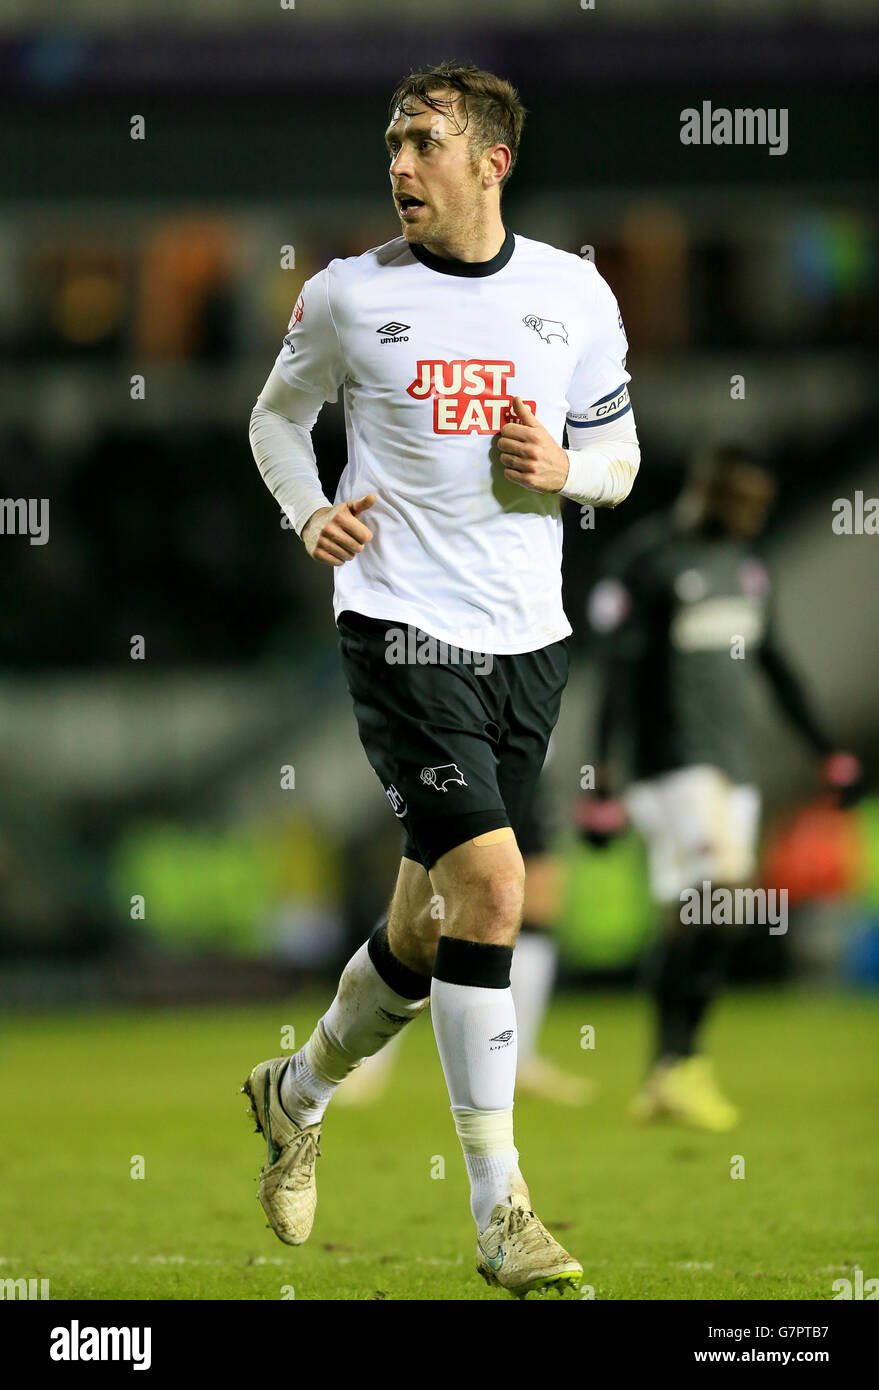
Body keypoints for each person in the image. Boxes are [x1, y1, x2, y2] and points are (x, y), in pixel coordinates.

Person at [246, 61, 640, 1297]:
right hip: (401, 631)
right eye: (391, 142)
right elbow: (273, 419)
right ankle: (501, 1211)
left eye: (424, 142)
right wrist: (308, 510)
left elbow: (621, 457)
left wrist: (561, 473)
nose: (399, 163)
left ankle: (294, 1090)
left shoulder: (573, 293)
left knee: (430, 923)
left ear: (492, 161)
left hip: (529, 642)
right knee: (499, 885)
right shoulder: (349, 296)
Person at [578, 445, 863, 1131]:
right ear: (703, 494)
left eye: (759, 506)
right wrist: (602, 778)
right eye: (741, 503)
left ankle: (667, 1072)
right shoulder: (647, 564)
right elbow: (616, 678)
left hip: (730, 768)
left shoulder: (745, 567)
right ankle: (681, 1061)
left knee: (693, 913)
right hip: (670, 766)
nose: (751, 515)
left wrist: (825, 751)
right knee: (727, 896)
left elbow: (774, 661)